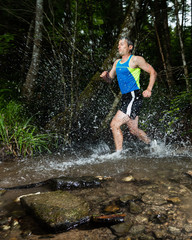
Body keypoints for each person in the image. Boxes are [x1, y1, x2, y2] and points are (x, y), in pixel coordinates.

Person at [100, 37, 157, 152]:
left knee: (114, 124)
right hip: (126, 98)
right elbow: (110, 79)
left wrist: (149, 89)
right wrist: (105, 76)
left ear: (130, 47)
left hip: (133, 97)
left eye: (122, 44)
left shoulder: (135, 60)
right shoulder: (117, 63)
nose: (119, 46)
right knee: (133, 130)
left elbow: (153, 72)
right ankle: (153, 145)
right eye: (118, 45)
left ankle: (118, 154)